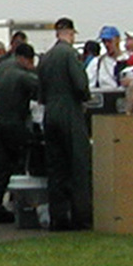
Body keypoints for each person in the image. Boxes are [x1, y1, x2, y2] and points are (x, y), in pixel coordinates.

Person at [39, 17, 92, 231]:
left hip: (50, 114)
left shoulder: (46, 57)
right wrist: (85, 97)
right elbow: (80, 85)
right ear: (70, 33)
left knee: (56, 169)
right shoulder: (69, 54)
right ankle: (81, 217)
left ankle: (58, 218)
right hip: (69, 112)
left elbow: (40, 93)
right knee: (78, 166)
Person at [0, 42, 38, 223]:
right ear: (27, 59)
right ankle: (19, 205)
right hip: (12, 125)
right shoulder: (23, 74)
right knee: (13, 166)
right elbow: (40, 92)